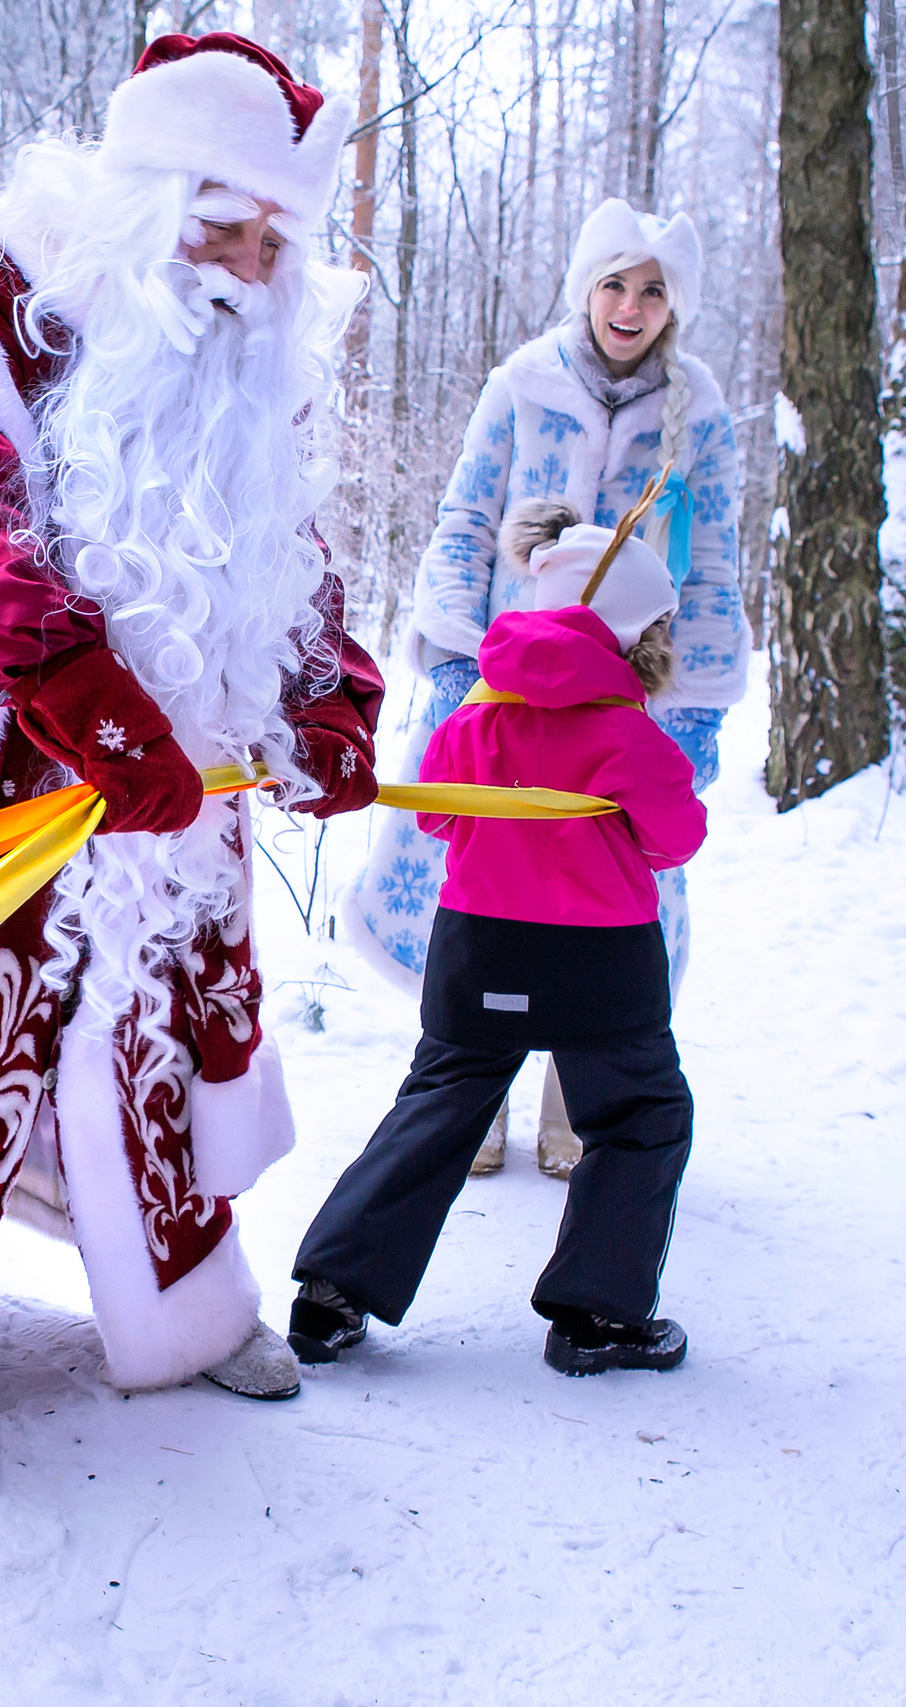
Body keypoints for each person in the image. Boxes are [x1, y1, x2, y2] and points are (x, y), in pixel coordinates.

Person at [0, 32, 382, 1485]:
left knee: (144, 1029)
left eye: (272, 235)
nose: (242, 262)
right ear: (142, 192)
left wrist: (325, 705)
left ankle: (178, 1303)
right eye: (216, 220)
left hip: (163, 804)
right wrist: (110, 721)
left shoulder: (249, 342)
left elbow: (284, 550)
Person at [341, 196, 746, 1178]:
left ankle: (577, 1102)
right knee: (482, 885)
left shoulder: (699, 411)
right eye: (613, 283)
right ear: (585, 288)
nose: (629, 305)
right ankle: (472, 1096)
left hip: (626, 705)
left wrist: (692, 704)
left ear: (671, 306)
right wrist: (450, 652)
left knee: (609, 901)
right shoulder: (521, 384)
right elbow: (466, 517)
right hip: (506, 688)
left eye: (652, 290)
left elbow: (717, 559)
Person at [290, 515, 706, 1376]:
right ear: (632, 635)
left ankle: (332, 1293)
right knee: (640, 1116)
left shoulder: (479, 716)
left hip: (481, 949)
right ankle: (598, 1316)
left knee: (440, 1103)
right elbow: (676, 839)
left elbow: (438, 811)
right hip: (602, 964)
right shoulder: (629, 732)